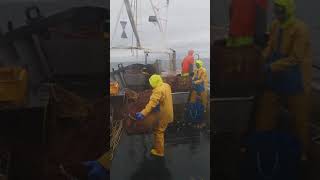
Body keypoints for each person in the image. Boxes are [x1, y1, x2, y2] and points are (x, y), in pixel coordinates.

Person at [255, 0, 312, 160]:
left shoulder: (301, 29)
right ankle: (263, 147)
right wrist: (261, 59)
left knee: (300, 118)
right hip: (275, 77)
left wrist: (270, 67)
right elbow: (270, 47)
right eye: (276, 10)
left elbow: (295, 58)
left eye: (281, 10)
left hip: (296, 79)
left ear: (289, 10)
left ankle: (303, 152)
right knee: (266, 112)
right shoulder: (274, 25)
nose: (277, 13)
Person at [135, 75, 174, 157]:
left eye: (151, 83)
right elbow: (163, 97)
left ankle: (159, 152)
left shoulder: (157, 90)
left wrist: (143, 113)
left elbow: (151, 104)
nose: (150, 84)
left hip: (163, 115)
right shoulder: (166, 85)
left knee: (158, 131)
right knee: (161, 129)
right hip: (169, 112)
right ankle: (159, 146)